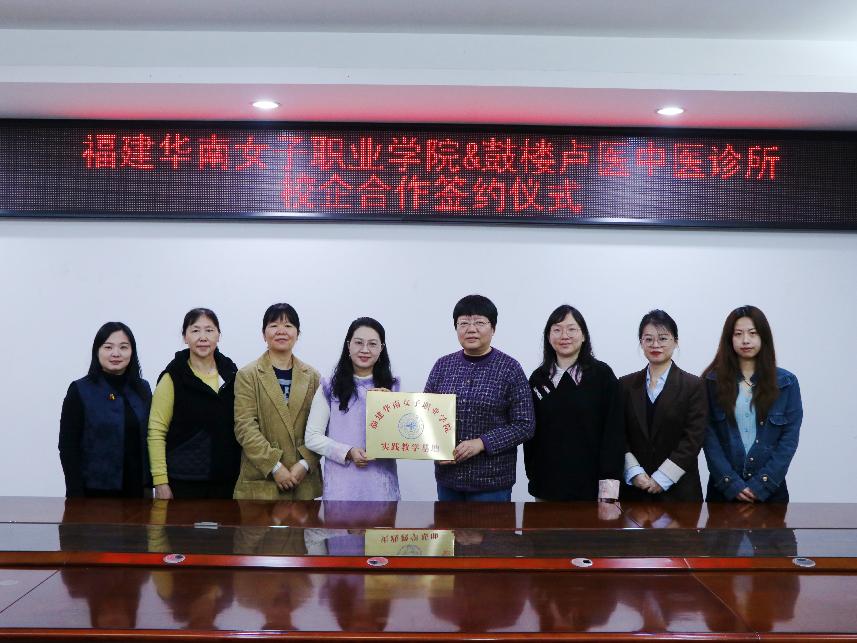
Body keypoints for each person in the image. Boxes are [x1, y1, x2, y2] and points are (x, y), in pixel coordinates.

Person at [424, 294, 534, 502]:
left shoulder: (510, 368)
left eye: (479, 323)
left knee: (490, 526)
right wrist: (434, 449)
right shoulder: (442, 366)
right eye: (464, 323)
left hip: (492, 483)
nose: (471, 329)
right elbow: (426, 415)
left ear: (493, 328)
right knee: (448, 525)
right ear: (456, 328)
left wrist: (482, 443)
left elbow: (525, 424)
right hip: (448, 479)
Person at [703, 305, 802, 503]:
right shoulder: (711, 382)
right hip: (723, 490)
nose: (745, 340)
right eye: (738, 334)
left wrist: (761, 485)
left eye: (752, 333)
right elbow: (708, 438)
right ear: (729, 339)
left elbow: (789, 439)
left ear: (763, 337)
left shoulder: (787, 383)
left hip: (771, 491)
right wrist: (732, 484)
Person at [524, 304, 624, 501]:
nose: (564, 336)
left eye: (572, 329)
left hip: (592, 488)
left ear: (584, 335)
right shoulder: (538, 378)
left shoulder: (602, 375)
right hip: (546, 487)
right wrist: (533, 475)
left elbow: (614, 433)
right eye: (557, 330)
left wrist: (609, 490)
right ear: (548, 336)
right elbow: (530, 435)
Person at [147, 308, 240, 499]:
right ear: (185, 337)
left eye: (209, 330)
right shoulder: (173, 377)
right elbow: (156, 431)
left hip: (228, 480)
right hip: (184, 481)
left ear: (219, 335)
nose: (203, 337)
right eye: (195, 330)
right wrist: (160, 481)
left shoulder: (232, 373)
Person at [233, 303, 321, 500]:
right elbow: (244, 427)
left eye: (288, 325)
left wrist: (305, 463)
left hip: (303, 482)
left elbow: (323, 427)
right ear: (263, 334)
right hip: (262, 482)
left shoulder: (313, 376)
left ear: (298, 334)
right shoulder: (248, 375)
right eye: (274, 325)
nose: (281, 331)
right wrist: (274, 465)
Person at [305, 317, 401, 500]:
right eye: (358, 342)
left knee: (383, 520)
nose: (365, 349)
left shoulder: (393, 386)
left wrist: (392, 408)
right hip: (341, 490)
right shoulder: (329, 386)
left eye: (372, 344)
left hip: (382, 491)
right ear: (348, 345)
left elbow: (404, 438)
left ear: (381, 348)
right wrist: (347, 452)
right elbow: (312, 437)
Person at [619, 309, 707, 502]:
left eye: (663, 338)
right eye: (648, 339)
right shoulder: (625, 385)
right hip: (635, 490)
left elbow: (693, 438)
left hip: (680, 492)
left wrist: (663, 477)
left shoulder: (693, 385)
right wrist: (634, 472)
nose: (655, 344)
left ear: (676, 341)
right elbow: (618, 433)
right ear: (641, 342)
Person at [58, 321, 152, 498]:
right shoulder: (80, 390)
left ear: (132, 352)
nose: (116, 353)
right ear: (97, 351)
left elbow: (152, 436)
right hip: (95, 491)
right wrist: (75, 493)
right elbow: (68, 446)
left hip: (139, 489)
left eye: (123, 347)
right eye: (108, 347)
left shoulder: (143, 389)